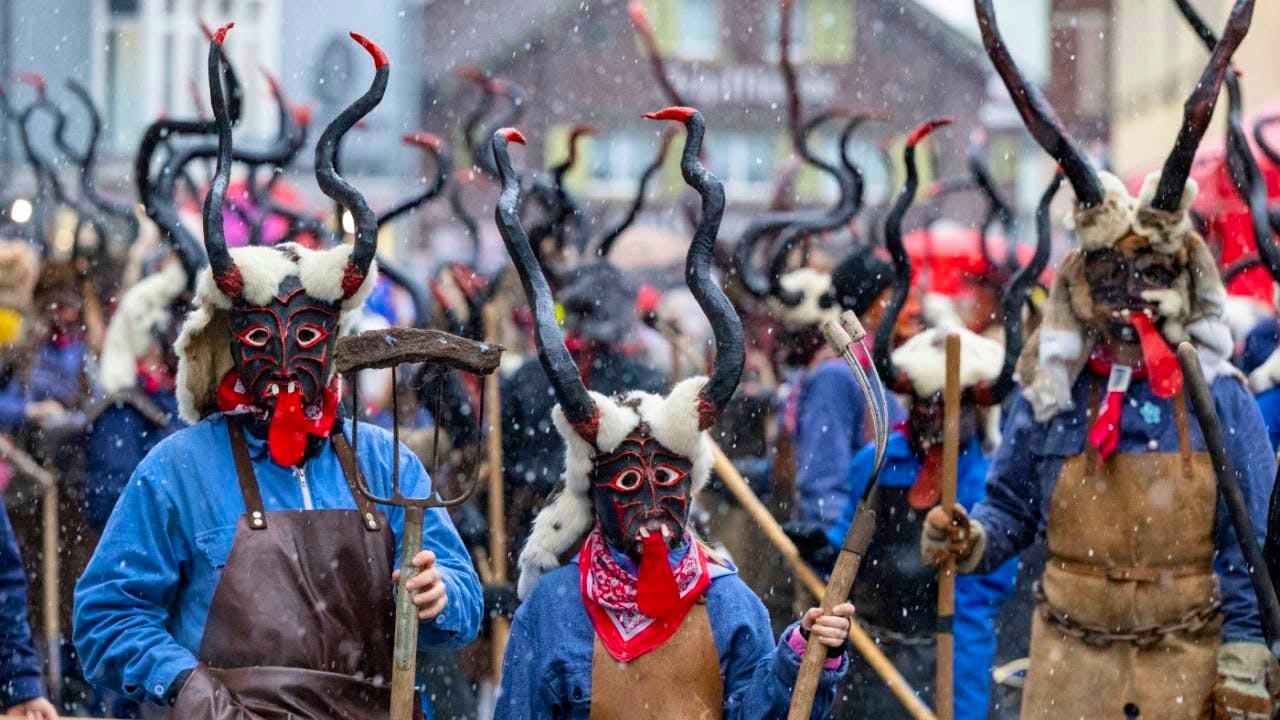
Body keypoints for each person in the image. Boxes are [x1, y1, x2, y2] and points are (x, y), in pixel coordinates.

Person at [72, 28, 481, 717]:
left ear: (338, 344)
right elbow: (106, 617)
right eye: (265, 336)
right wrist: (187, 684)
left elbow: (462, 611)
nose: (289, 359)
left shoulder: (389, 468)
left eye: (310, 336)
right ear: (233, 344)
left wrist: (443, 597)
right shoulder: (177, 471)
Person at [924, 3, 1276, 717]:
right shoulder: (1051, 392)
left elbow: (1253, 544)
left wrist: (1248, 655)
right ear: (1080, 288)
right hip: (1067, 671)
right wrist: (972, 537)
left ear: (1181, 281)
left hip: (1187, 667)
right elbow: (1012, 507)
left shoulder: (1222, 399)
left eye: (1147, 276)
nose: (1127, 299)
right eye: (1110, 277)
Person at [493, 111, 854, 718]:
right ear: (597, 490)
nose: (654, 506)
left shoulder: (732, 605)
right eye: (630, 484)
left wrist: (800, 658)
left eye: (667, 482)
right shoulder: (553, 611)